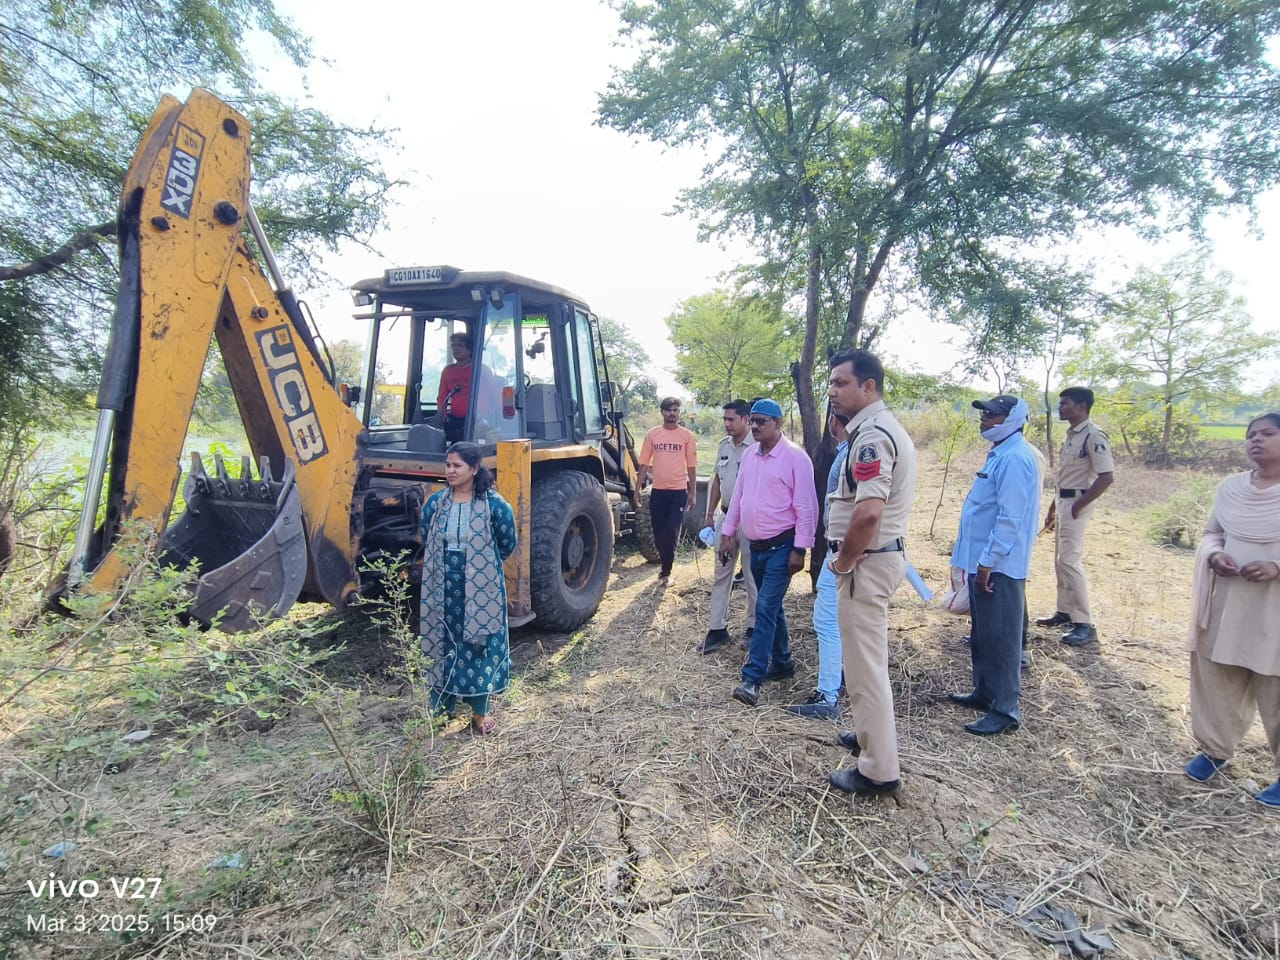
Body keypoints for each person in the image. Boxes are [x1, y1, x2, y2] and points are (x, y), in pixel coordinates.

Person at [823, 350, 917, 797]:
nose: (832, 391)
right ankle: (869, 737)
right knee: (864, 664)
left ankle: (878, 770)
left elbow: (867, 515)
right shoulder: (872, 430)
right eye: (830, 383)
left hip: (866, 563)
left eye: (841, 383)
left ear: (868, 386)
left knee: (865, 671)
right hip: (874, 560)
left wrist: (843, 561)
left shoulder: (872, 437)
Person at [1183, 413, 1280, 809]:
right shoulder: (1231, 489)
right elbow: (1212, 533)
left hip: (1273, 606)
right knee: (1218, 674)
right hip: (1228, 599)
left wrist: (1277, 567)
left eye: (1268, 433)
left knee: (1275, 683)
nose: (1256, 440)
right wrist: (1214, 555)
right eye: (1251, 434)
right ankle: (1215, 749)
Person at [947, 396, 1041, 736]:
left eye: (992, 414)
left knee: (1002, 639)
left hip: (999, 566)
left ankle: (1004, 710)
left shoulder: (1015, 458)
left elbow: (1009, 518)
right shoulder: (1001, 453)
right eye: (984, 414)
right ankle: (984, 692)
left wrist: (988, 561)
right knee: (984, 633)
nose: (984, 419)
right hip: (983, 562)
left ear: (1013, 418)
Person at [721, 398, 817, 708]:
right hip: (756, 547)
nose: (756, 426)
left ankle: (752, 679)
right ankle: (783, 662)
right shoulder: (750, 455)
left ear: (778, 423)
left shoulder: (795, 458)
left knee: (763, 608)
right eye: (753, 420)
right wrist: (727, 534)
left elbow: (806, 507)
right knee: (771, 607)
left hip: (782, 547)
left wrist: (800, 549)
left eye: (762, 421)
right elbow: (739, 497)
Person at [419, 442, 518, 735]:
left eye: (457, 466)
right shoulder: (435, 504)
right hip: (442, 585)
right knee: (443, 642)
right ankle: (441, 710)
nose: (450, 471)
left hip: (481, 587)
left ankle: (479, 712)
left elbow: (507, 542)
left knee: (477, 644)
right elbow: (426, 534)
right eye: (448, 465)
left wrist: (478, 565)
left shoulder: (495, 505)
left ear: (474, 469)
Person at [1036, 387, 1115, 646]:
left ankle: (1084, 623)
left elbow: (1106, 477)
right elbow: (1065, 477)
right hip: (1063, 500)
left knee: (1069, 560)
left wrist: (1078, 505)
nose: (1060, 408)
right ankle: (1065, 612)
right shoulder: (1071, 435)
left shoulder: (1093, 436)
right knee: (1060, 560)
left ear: (1081, 406)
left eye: (1065, 403)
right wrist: (1053, 507)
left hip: (1077, 503)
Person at [785, 411, 850, 720]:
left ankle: (827, 695)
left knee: (827, 621)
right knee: (842, 621)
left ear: (834, 422)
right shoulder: (849, 451)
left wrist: (845, 556)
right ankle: (843, 676)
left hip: (844, 554)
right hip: (844, 551)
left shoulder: (853, 453)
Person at [698, 399, 758, 653]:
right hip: (725, 518)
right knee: (721, 574)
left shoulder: (757, 447)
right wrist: (709, 515)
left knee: (752, 576)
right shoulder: (724, 446)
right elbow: (717, 480)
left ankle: (753, 629)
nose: (727, 424)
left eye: (731, 419)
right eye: (724, 419)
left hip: (749, 520)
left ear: (746, 419)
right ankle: (717, 629)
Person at [638, 397, 698, 586]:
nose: (672, 413)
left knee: (672, 531)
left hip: (678, 492)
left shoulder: (686, 436)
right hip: (658, 492)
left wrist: (693, 493)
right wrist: (637, 489)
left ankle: (666, 572)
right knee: (659, 533)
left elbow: (692, 466)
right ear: (662, 412)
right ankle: (664, 562)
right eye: (668, 410)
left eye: (675, 410)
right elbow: (644, 463)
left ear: (679, 413)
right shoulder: (653, 434)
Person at [437, 332, 476, 443]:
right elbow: (442, 397)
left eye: (460, 345)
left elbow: (492, 398)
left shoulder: (479, 370)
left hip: (476, 421)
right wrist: (442, 417)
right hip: (455, 420)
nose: (455, 349)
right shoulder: (448, 371)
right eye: (453, 345)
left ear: (469, 350)